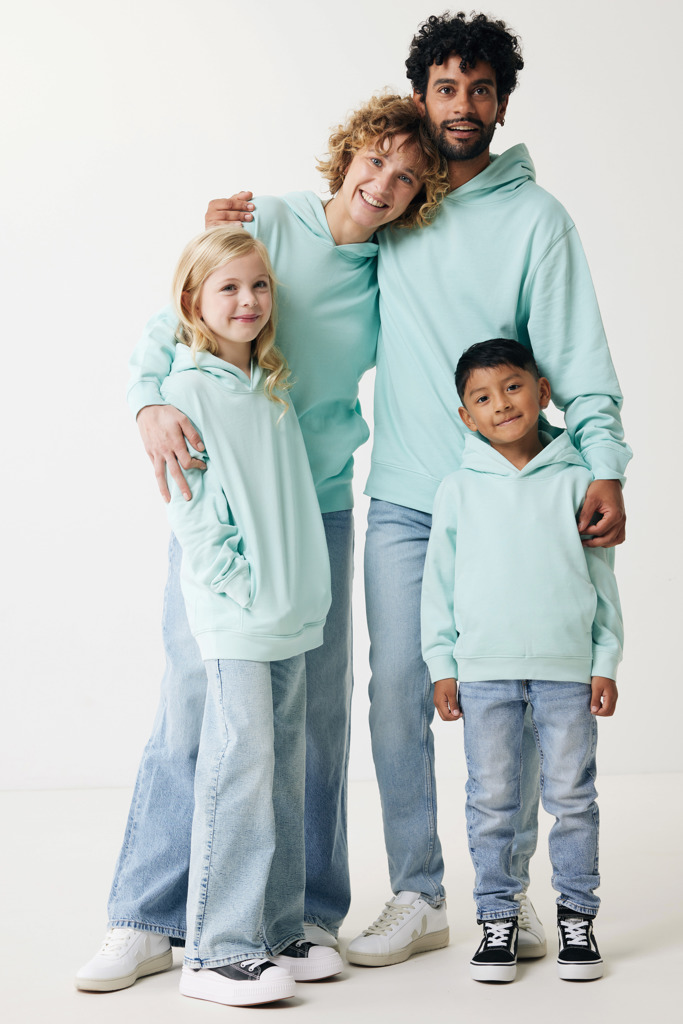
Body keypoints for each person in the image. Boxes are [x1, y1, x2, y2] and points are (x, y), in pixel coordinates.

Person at [75, 95, 448, 994]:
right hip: (229, 496)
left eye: (405, 177)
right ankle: (150, 917)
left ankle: (302, 916)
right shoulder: (270, 221)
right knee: (197, 704)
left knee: (312, 718)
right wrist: (147, 401)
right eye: (374, 161)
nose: (382, 184)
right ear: (346, 155)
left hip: (318, 504)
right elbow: (181, 312)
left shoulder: (394, 266)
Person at [345, 11, 630, 967]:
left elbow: (577, 359)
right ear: (419, 98)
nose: (461, 105)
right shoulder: (398, 201)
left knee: (520, 692)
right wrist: (239, 221)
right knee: (400, 690)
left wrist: (603, 465)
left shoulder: (537, 221)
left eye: (479, 89)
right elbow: (321, 231)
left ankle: (514, 900)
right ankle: (420, 893)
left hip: (515, 502)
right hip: (407, 495)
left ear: (501, 104)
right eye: (445, 88)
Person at [78, 227, 343, 1006]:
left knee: (282, 766)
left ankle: (276, 929)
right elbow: (192, 514)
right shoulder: (185, 391)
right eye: (228, 287)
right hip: (238, 615)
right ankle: (215, 951)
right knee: (239, 766)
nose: (248, 301)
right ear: (193, 301)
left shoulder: (270, 387)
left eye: (259, 286)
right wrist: (240, 586)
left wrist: (301, 589)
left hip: (291, 611)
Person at [422, 338, 622, 983]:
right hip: (483, 673)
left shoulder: (579, 481)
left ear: (541, 391)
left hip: (568, 670)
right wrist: (442, 664)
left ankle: (577, 919)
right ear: (467, 416)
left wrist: (605, 660)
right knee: (492, 801)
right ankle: (498, 918)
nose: (501, 404)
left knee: (573, 797)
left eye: (512, 387)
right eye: (482, 397)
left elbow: (602, 580)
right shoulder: (458, 489)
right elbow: (438, 586)